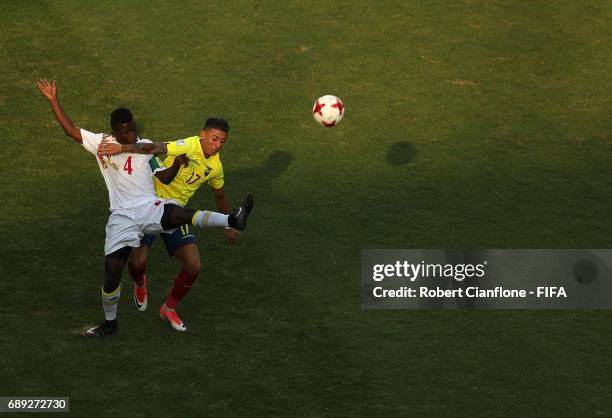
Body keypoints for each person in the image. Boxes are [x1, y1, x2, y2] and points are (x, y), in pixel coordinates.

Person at [36, 79, 254, 337]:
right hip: (121, 215)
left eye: (133, 129)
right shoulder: (102, 143)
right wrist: (53, 100)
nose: (132, 134)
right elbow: (71, 130)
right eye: (125, 131)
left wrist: (175, 166)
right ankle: (110, 323)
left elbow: (162, 176)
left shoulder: (144, 146)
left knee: (175, 212)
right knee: (113, 273)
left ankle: (232, 219)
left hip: (149, 206)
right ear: (115, 131)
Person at [97, 117, 237, 332]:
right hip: (149, 207)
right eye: (214, 139)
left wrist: (228, 224)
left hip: (175, 213)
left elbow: (220, 195)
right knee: (136, 265)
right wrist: (122, 148)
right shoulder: (188, 146)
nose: (218, 145)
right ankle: (140, 282)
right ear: (202, 134)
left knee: (193, 265)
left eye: (222, 142)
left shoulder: (215, 167)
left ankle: (168, 308)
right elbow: (154, 148)